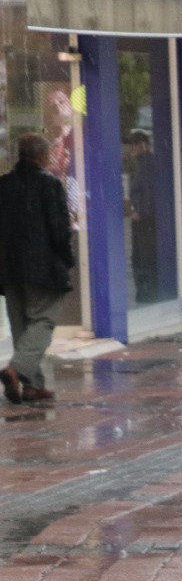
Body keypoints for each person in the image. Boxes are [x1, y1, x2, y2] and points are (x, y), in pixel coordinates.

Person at [0, 133, 74, 405]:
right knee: (43, 319)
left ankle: (32, 386)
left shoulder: (4, 185)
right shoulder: (50, 185)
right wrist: (66, 258)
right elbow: (59, 230)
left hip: (9, 268)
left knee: (21, 324)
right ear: (42, 157)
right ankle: (16, 369)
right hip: (41, 267)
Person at [126, 129, 159, 303]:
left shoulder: (147, 165)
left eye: (133, 145)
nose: (131, 149)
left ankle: (147, 294)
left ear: (142, 145)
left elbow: (149, 191)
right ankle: (145, 293)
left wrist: (141, 212)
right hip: (144, 219)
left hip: (146, 221)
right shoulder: (142, 164)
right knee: (141, 257)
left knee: (144, 258)